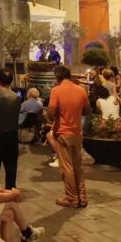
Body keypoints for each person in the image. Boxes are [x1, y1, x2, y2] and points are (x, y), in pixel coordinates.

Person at [47, 65, 90, 208]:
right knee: (78, 166)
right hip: (77, 132)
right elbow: (87, 110)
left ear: (57, 77)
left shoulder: (56, 90)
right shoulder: (81, 90)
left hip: (63, 132)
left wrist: (51, 116)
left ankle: (71, 198)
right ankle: (82, 197)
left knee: (67, 167)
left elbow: (51, 111)